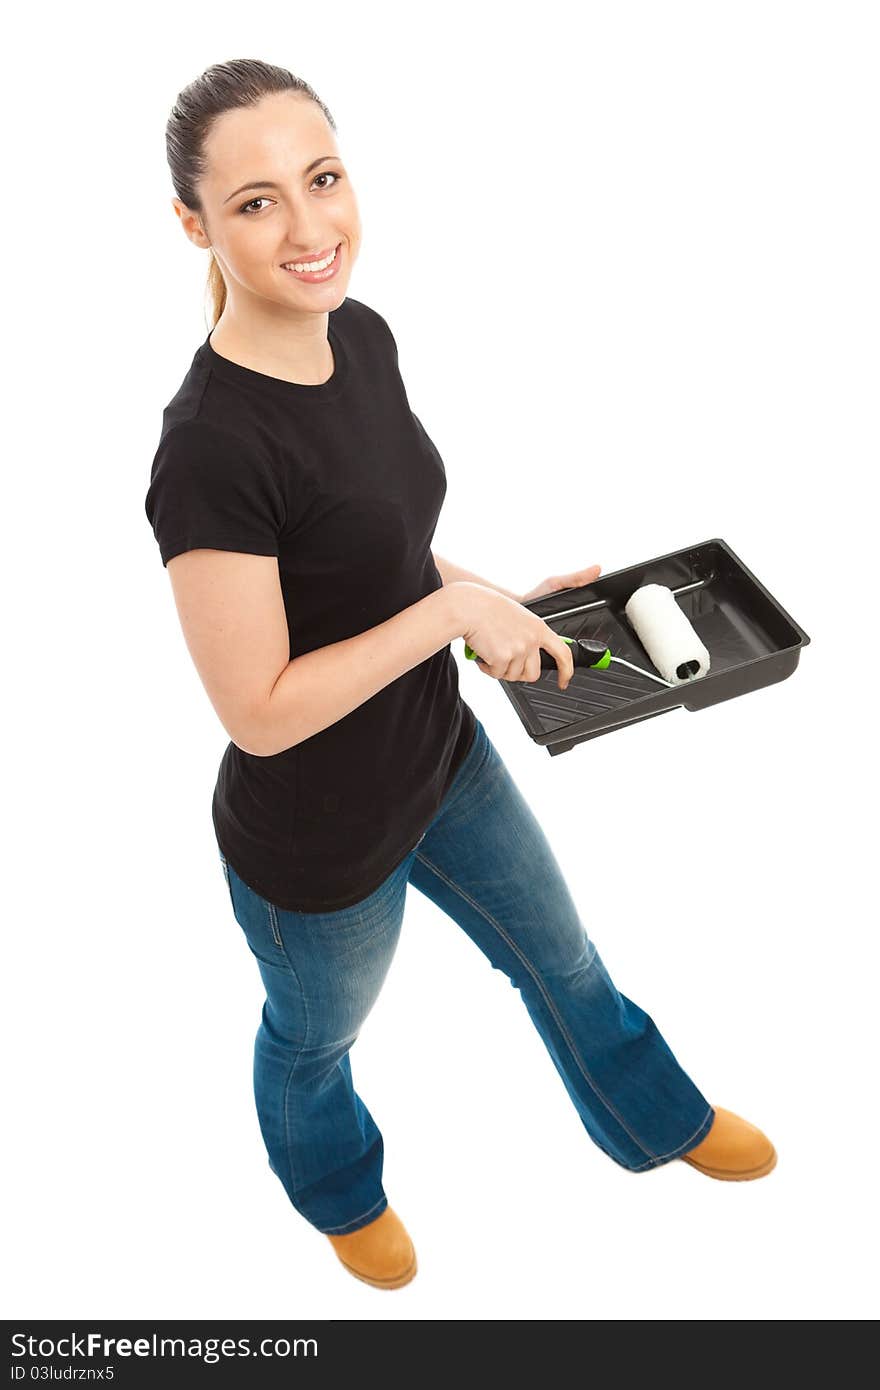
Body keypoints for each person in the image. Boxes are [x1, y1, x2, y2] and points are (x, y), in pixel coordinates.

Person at [145, 58, 776, 1292]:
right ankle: (335, 1190)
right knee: (312, 1042)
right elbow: (257, 713)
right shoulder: (209, 450)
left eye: (322, 178)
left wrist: (496, 601)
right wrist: (446, 610)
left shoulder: (357, 335)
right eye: (259, 201)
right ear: (195, 226)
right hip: (316, 845)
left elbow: (374, 541)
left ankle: (658, 1121)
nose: (311, 226)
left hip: (439, 756)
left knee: (564, 956)